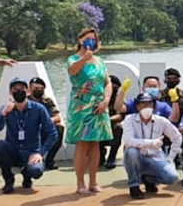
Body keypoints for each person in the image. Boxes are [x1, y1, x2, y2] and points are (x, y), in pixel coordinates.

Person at [66, 28, 113, 195]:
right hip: (81, 105)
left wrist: (106, 100)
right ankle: (80, 183)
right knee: (83, 143)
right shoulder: (73, 59)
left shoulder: (100, 61)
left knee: (95, 144)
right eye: (86, 39)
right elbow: (72, 71)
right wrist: (84, 58)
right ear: (80, 40)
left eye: (93, 39)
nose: (89, 42)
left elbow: (107, 82)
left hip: (99, 105)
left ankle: (93, 181)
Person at [0, 78, 58, 194]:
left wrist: (40, 153)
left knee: (36, 171)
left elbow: (52, 133)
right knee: (0, 146)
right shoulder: (6, 108)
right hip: (13, 149)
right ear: (10, 93)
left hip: (31, 151)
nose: (18, 92)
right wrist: (3, 114)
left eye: (22, 89)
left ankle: (27, 175)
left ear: (28, 91)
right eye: (15, 90)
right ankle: (8, 179)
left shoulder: (38, 109)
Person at [121, 92, 183, 199]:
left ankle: (149, 179)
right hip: (137, 156)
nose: (146, 107)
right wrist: (150, 143)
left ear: (154, 105)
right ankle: (134, 185)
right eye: (143, 104)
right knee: (131, 151)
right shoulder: (129, 119)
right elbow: (127, 140)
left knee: (173, 178)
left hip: (155, 157)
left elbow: (177, 137)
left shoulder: (161, 121)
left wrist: (171, 157)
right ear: (137, 106)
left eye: (149, 104)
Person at [27, 77, 64, 170]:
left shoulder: (47, 101)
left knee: (59, 129)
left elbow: (57, 117)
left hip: (44, 129)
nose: (38, 91)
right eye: (36, 89)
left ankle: (49, 160)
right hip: (29, 131)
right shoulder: (24, 101)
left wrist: (45, 122)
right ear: (29, 89)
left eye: (41, 89)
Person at [99, 75, 126, 170]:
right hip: (98, 125)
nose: (112, 87)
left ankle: (111, 158)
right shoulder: (98, 98)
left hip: (111, 125)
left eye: (115, 85)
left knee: (118, 127)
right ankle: (100, 155)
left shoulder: (119, 99)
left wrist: (108, 119)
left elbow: (120, 116)